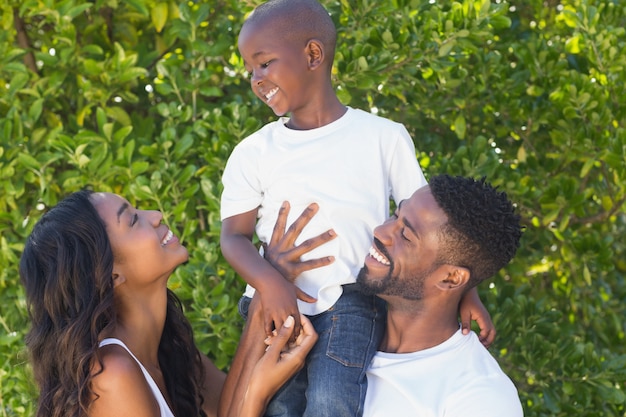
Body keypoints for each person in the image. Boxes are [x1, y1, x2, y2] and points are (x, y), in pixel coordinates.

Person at [220, 1, 493, 416]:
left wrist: (466, 293)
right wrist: (270, 284)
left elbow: (436, 233)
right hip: (277, 304)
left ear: (313, 55)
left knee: (333, 401)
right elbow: (233, 237)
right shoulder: (254, 152)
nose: (256, 78)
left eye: (265, 63)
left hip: (351, 301)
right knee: (279, 406)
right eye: (250, 68)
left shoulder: (382, 137)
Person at [19, 189, 317, 417]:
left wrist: (268, 285)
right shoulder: (111, 375)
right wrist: (258, 390)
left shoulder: (169, 347)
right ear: (110, 275)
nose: (155, 215)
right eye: (133, 220)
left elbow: (228, 409)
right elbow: (243, 403)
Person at [263, 174, 525, 416]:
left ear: (451, 278)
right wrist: (268, 283)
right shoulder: (327, 324)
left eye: (406, 236)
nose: (380, 231)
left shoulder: (479, 399)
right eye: (394, 215)